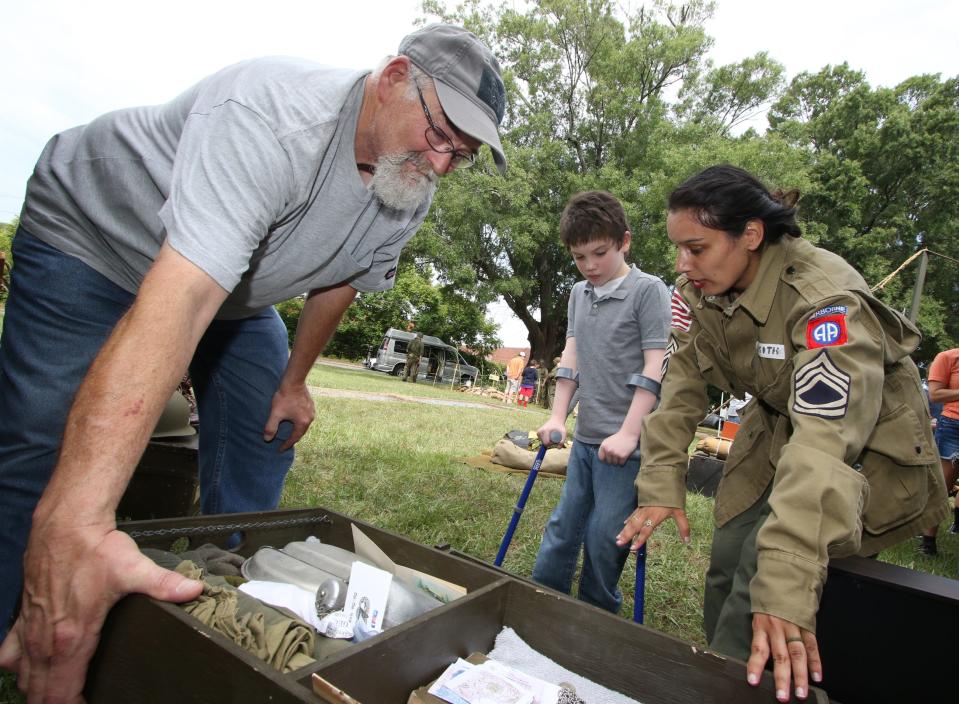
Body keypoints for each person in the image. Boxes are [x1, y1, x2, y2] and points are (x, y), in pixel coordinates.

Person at [0, 23, 506, 700]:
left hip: (229, 288)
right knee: (40, 446)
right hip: (91, 239)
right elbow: (180, 299)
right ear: (391, 80)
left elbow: (341, 279)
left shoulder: (407, 178)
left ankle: (227, 601)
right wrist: (81, 527)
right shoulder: (273, 116)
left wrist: (293, 381)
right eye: (440, 135)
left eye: (461, 155)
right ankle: (26, 620)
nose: (442, 164)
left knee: (264, 434)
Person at [615, 165, 947, 703]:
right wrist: (659, 482)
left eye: (696, 248)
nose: (682, 265)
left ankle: (733, 687)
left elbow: (825, 439)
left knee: (766, 579)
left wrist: (785, 581)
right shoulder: (706, 290)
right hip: (774, 436)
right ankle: (731, 668)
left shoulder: (826, 301)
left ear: (750, 234)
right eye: (679, 249)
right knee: (727, 564)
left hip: (858, 451)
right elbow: (681, 385)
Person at [533, 190, 670, 614]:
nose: (590, 266)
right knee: (563, 527)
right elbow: (571, 356)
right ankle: (541, 601)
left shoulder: (649, 291)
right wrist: (557, 416)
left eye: (600, 253)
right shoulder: (579, 293)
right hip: (587, 438)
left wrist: (630, 434)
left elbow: (655, 365)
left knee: (604, 534)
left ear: (624, 241)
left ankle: (597, 614)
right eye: (579, 257)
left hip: (624, 448)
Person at [920, 347, 959, 554]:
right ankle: (927, 543)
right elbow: (934, 395)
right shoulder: (948, 358)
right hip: (954, 425)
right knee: (943, 485)